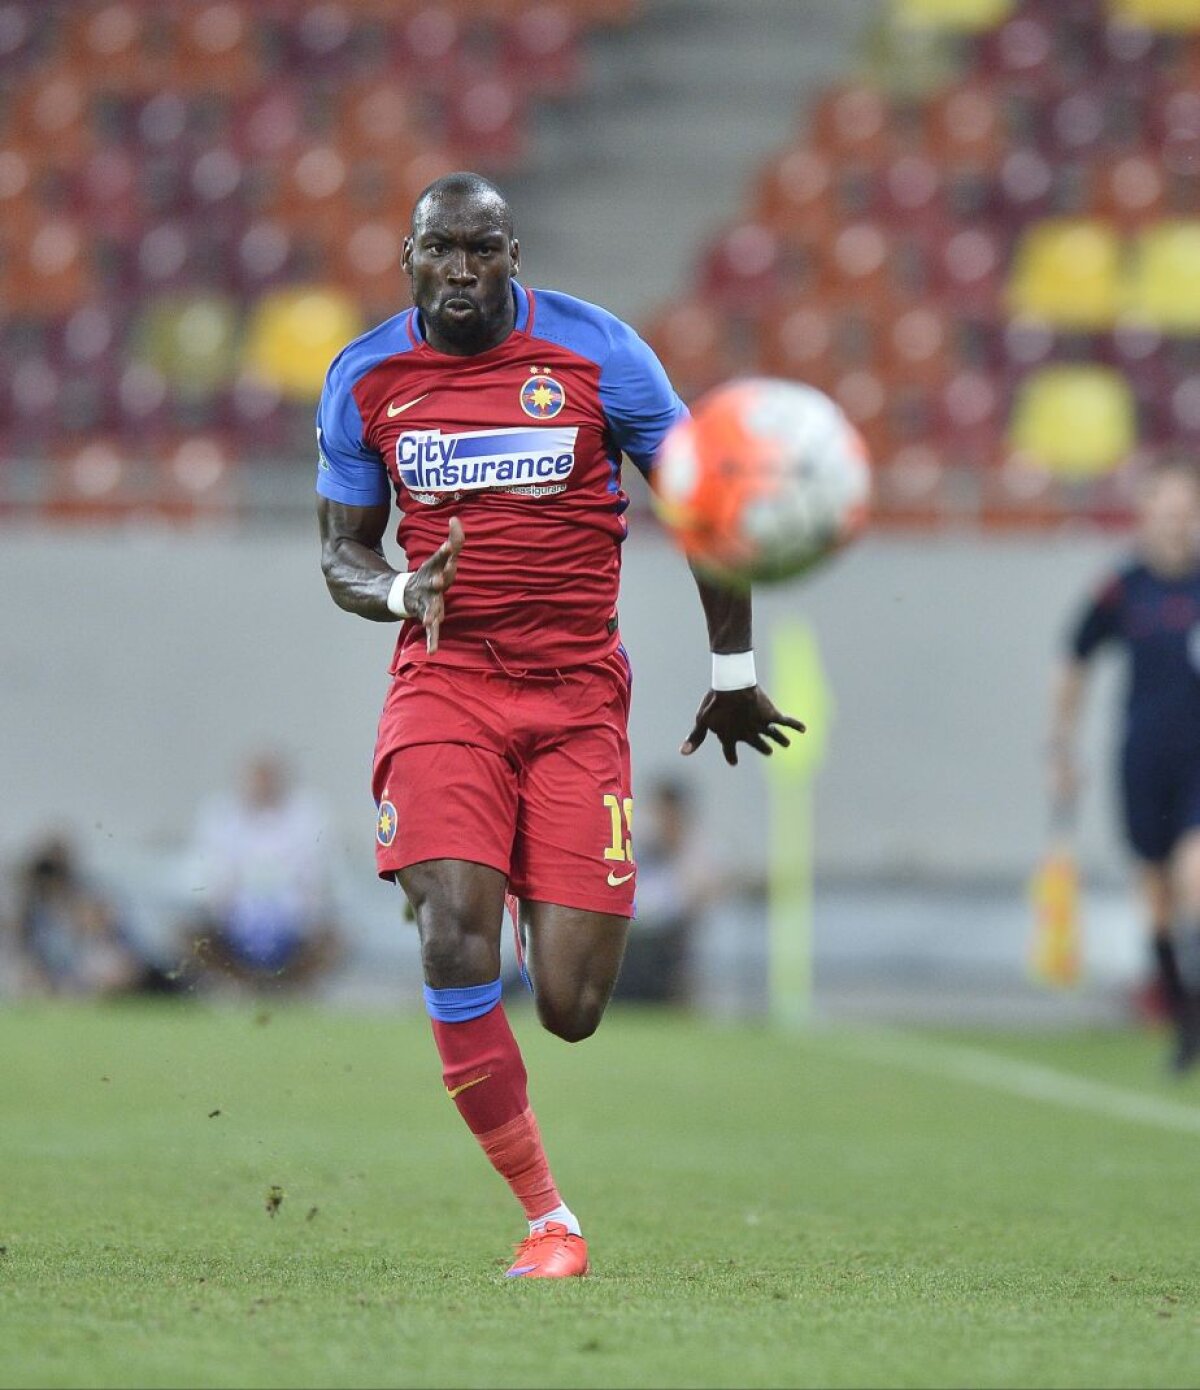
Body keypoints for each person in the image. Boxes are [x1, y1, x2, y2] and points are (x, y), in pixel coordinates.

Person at [315, 172, 804, 1279]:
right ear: (408, 256)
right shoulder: (363, 377)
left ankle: (533, 890)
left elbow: (701, 504)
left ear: (513, 254)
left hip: (580, 697)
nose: (459, 270)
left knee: (576, 1006)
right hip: (444, 683)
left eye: (481, 249)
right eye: (440, 249)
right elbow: (342, 553)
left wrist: (733, 668)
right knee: (452, 928)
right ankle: (549, 1219)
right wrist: (400, 592)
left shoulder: (600, 355)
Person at [1049, 459, 1200, 1074]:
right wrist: (1060, 748)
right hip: (1143, 760)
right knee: (1156, 897)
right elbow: (1073, 658)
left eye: (1186, 510)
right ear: (1145, 515)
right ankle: (1184, 1024)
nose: (1176, 522)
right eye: (1166, 509)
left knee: (1196, 878)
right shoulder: (1121, 586)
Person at [179, 754, 343, 994]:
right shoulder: (222, 817)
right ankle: (240, 985)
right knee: (187, 936)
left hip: (292, 922)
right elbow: (211, 873)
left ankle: (289, 987)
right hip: (235, 922)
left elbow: (315, 874)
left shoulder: (306, 816)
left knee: (335, 941)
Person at [9, 831, 181, 998]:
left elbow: (123, 956)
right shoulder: (36, 910)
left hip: (118, 968)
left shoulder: (86, 893)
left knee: (111, 972)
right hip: (70, 971)